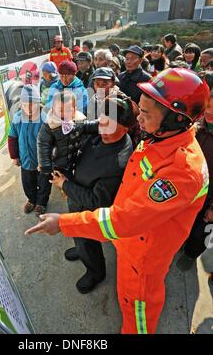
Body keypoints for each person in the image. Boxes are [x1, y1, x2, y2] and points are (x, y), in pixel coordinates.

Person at [25, 68, 210, 334]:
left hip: (141, 260)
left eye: (145, 114)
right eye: (140, 111)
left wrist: (64, 223)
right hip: (127, 244)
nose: (140, 120)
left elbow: (124, 219)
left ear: (176, 118)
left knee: (137, 317)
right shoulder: (159, 138)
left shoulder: (182, 171)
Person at [50, 94, 137, 294]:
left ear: (125, 129)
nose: (103, 129)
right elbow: (90, 125)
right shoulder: (107, 127)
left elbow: (97, 201)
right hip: (76, 196)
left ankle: (96, 272)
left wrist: (64, 185)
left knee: (88, 240)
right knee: (77, 235)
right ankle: (80, 249)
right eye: (102, 122)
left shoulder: (118, 162)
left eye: (110, 127)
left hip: (87, 209)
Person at [176, 72, 213, 271]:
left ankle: (190, 254)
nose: (209, 110)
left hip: (208, 197)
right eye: (207, 104)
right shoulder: (195, 127)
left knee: (200, 231)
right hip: (186, 190)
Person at [8, 85, 51, 216]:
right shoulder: (18, 117)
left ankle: (41, 203)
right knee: (27, 182)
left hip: (41, 162)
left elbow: (49, 143)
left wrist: (44, 162)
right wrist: (14, 156)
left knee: (44, 183)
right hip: (25, 159)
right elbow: (12, 137)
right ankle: (32, 199)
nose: (29, 108)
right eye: (25, 104)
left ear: (39, 103)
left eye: (33, 104)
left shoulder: (44, 120)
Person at [38, 90, 98, 183]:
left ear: (75, 109)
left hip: (74, 160)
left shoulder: (78, 120)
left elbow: (88, 126)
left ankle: (66, 192)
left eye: (69, 110)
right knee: (47, 183)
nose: (65, 114)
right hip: (58, 163)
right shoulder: (50, 125)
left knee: (69, 182)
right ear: (53, 110)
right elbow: (43, 144)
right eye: (60, 110)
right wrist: (45, 165)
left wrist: (99, 124)